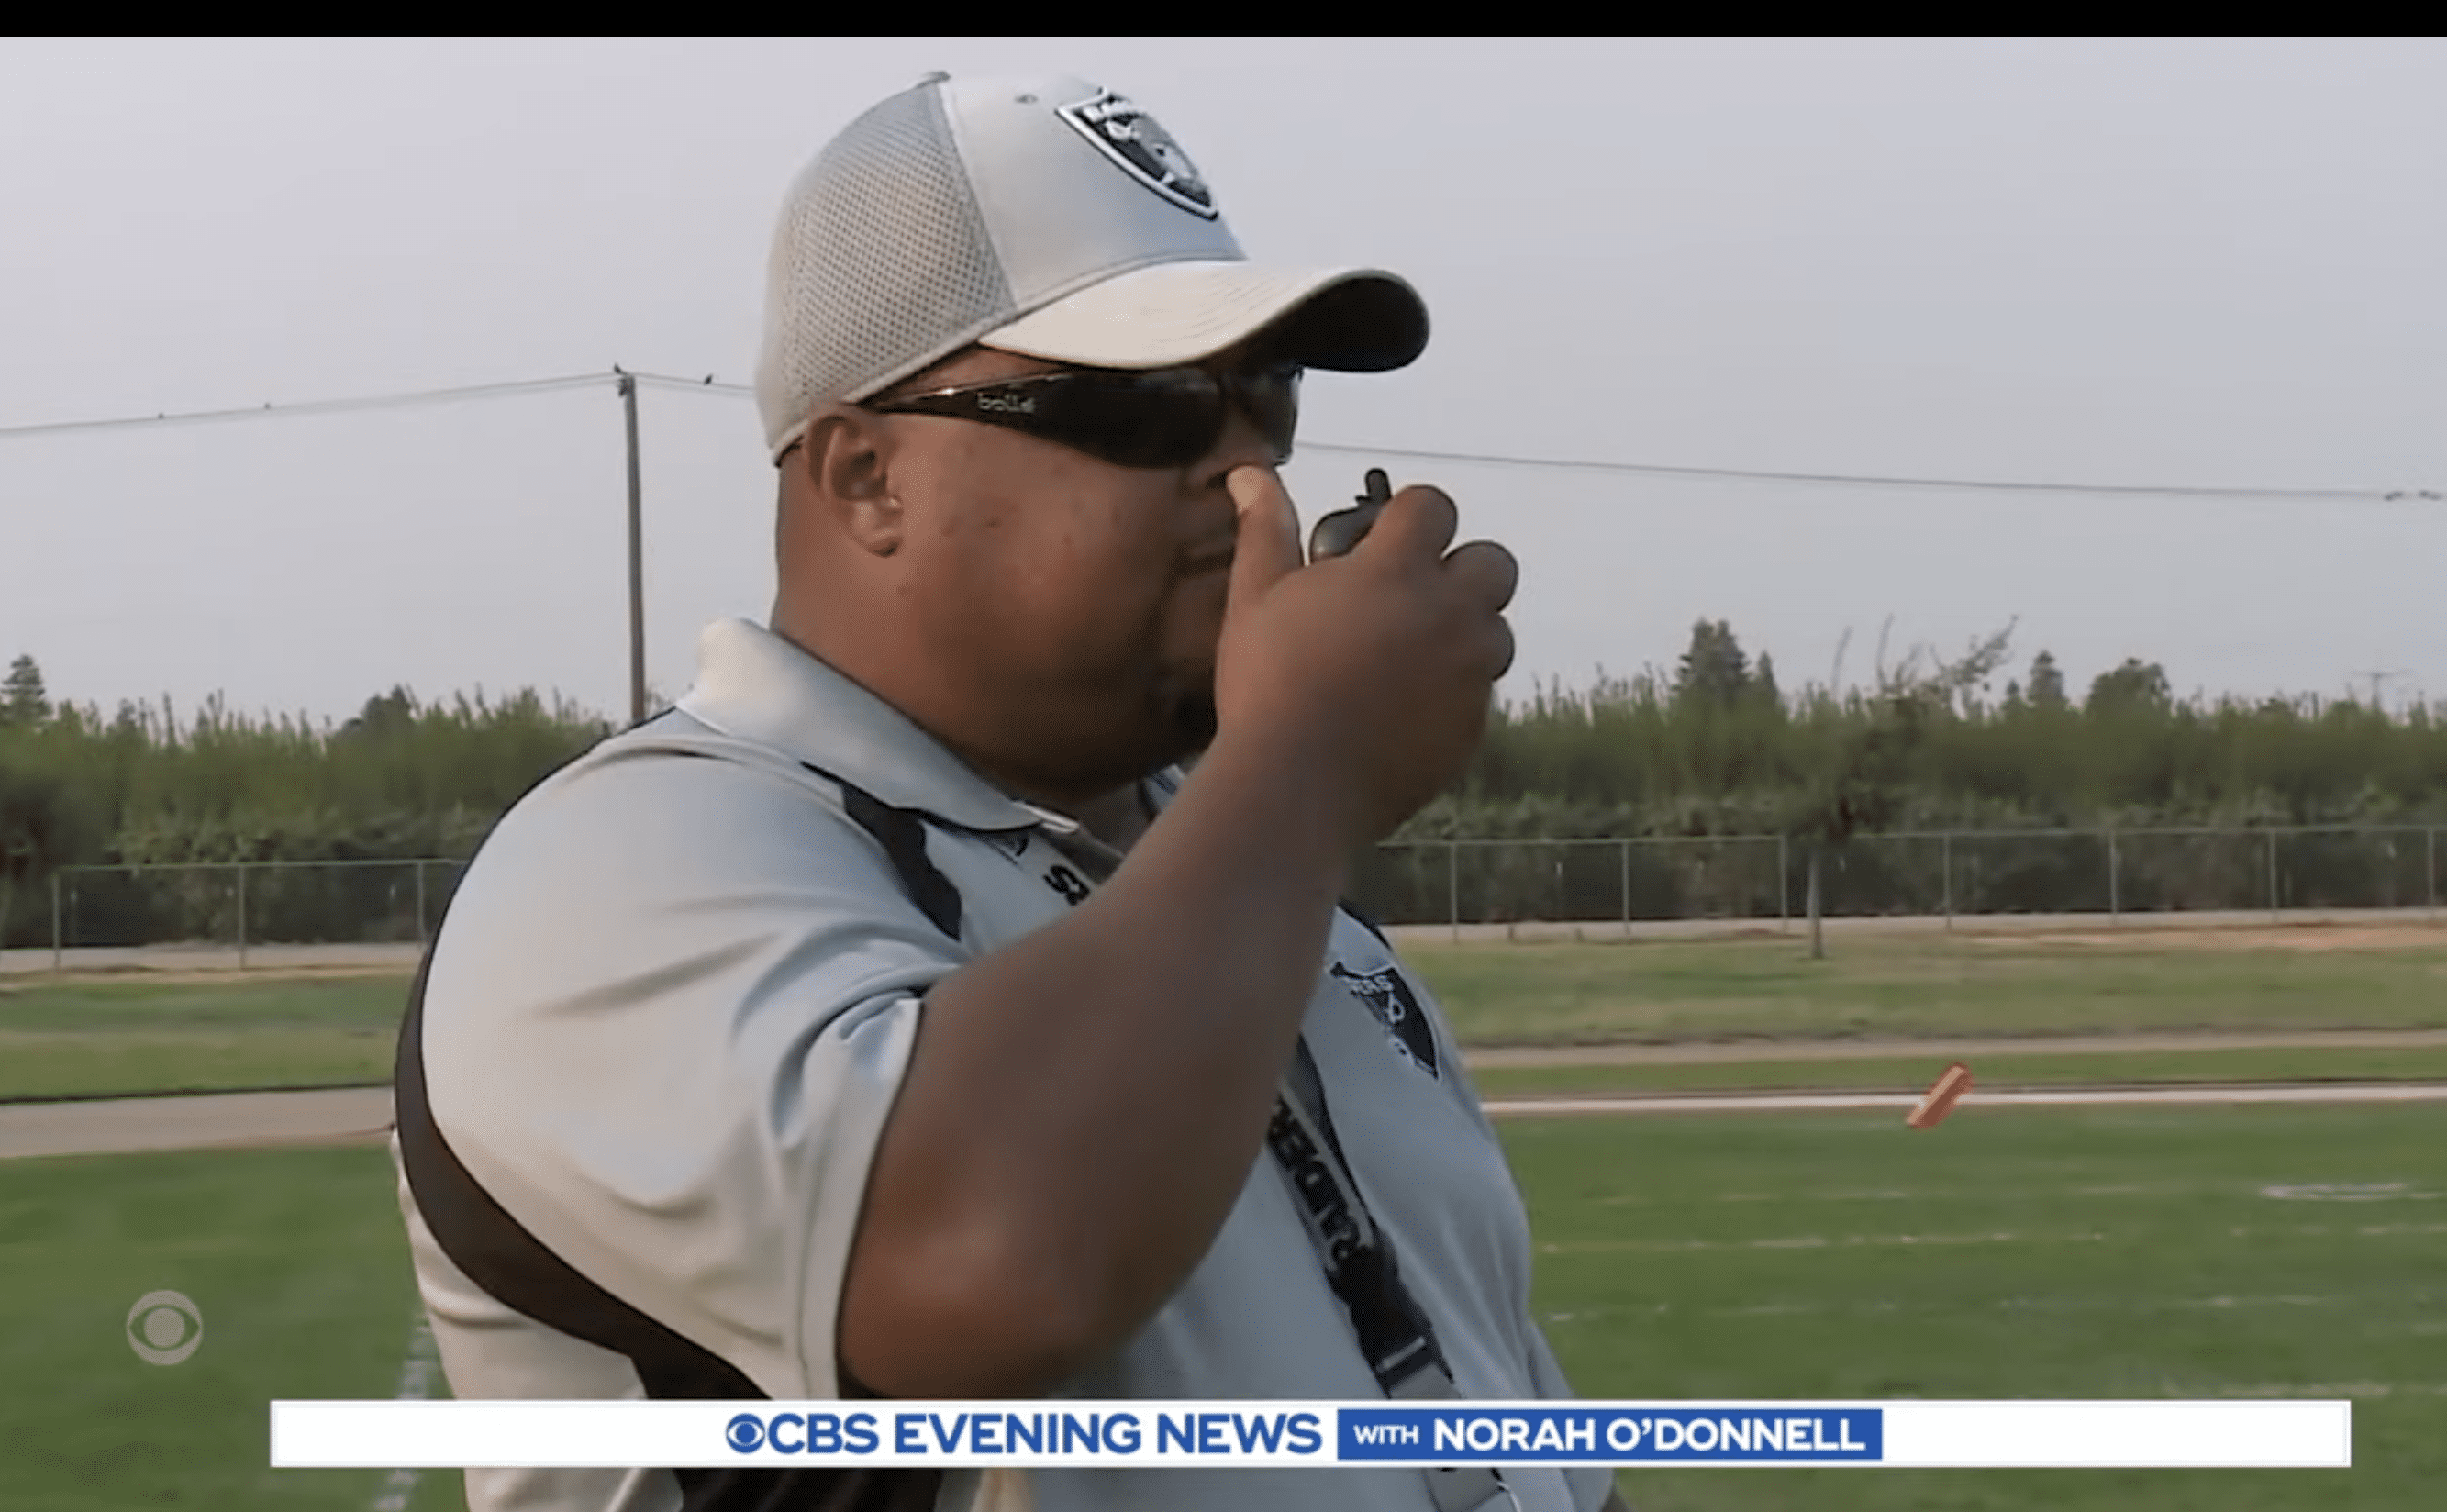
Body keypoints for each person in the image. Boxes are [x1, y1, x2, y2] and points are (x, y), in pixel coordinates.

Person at [392, 69, 1629, 1512]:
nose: (1246, 470)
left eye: (1267, 394)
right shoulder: (624, 863)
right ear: (865, 477)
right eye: (1156, 405)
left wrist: (1283, 804)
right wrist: (1301, 768)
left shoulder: (1290, 919)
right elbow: (985, 1260)